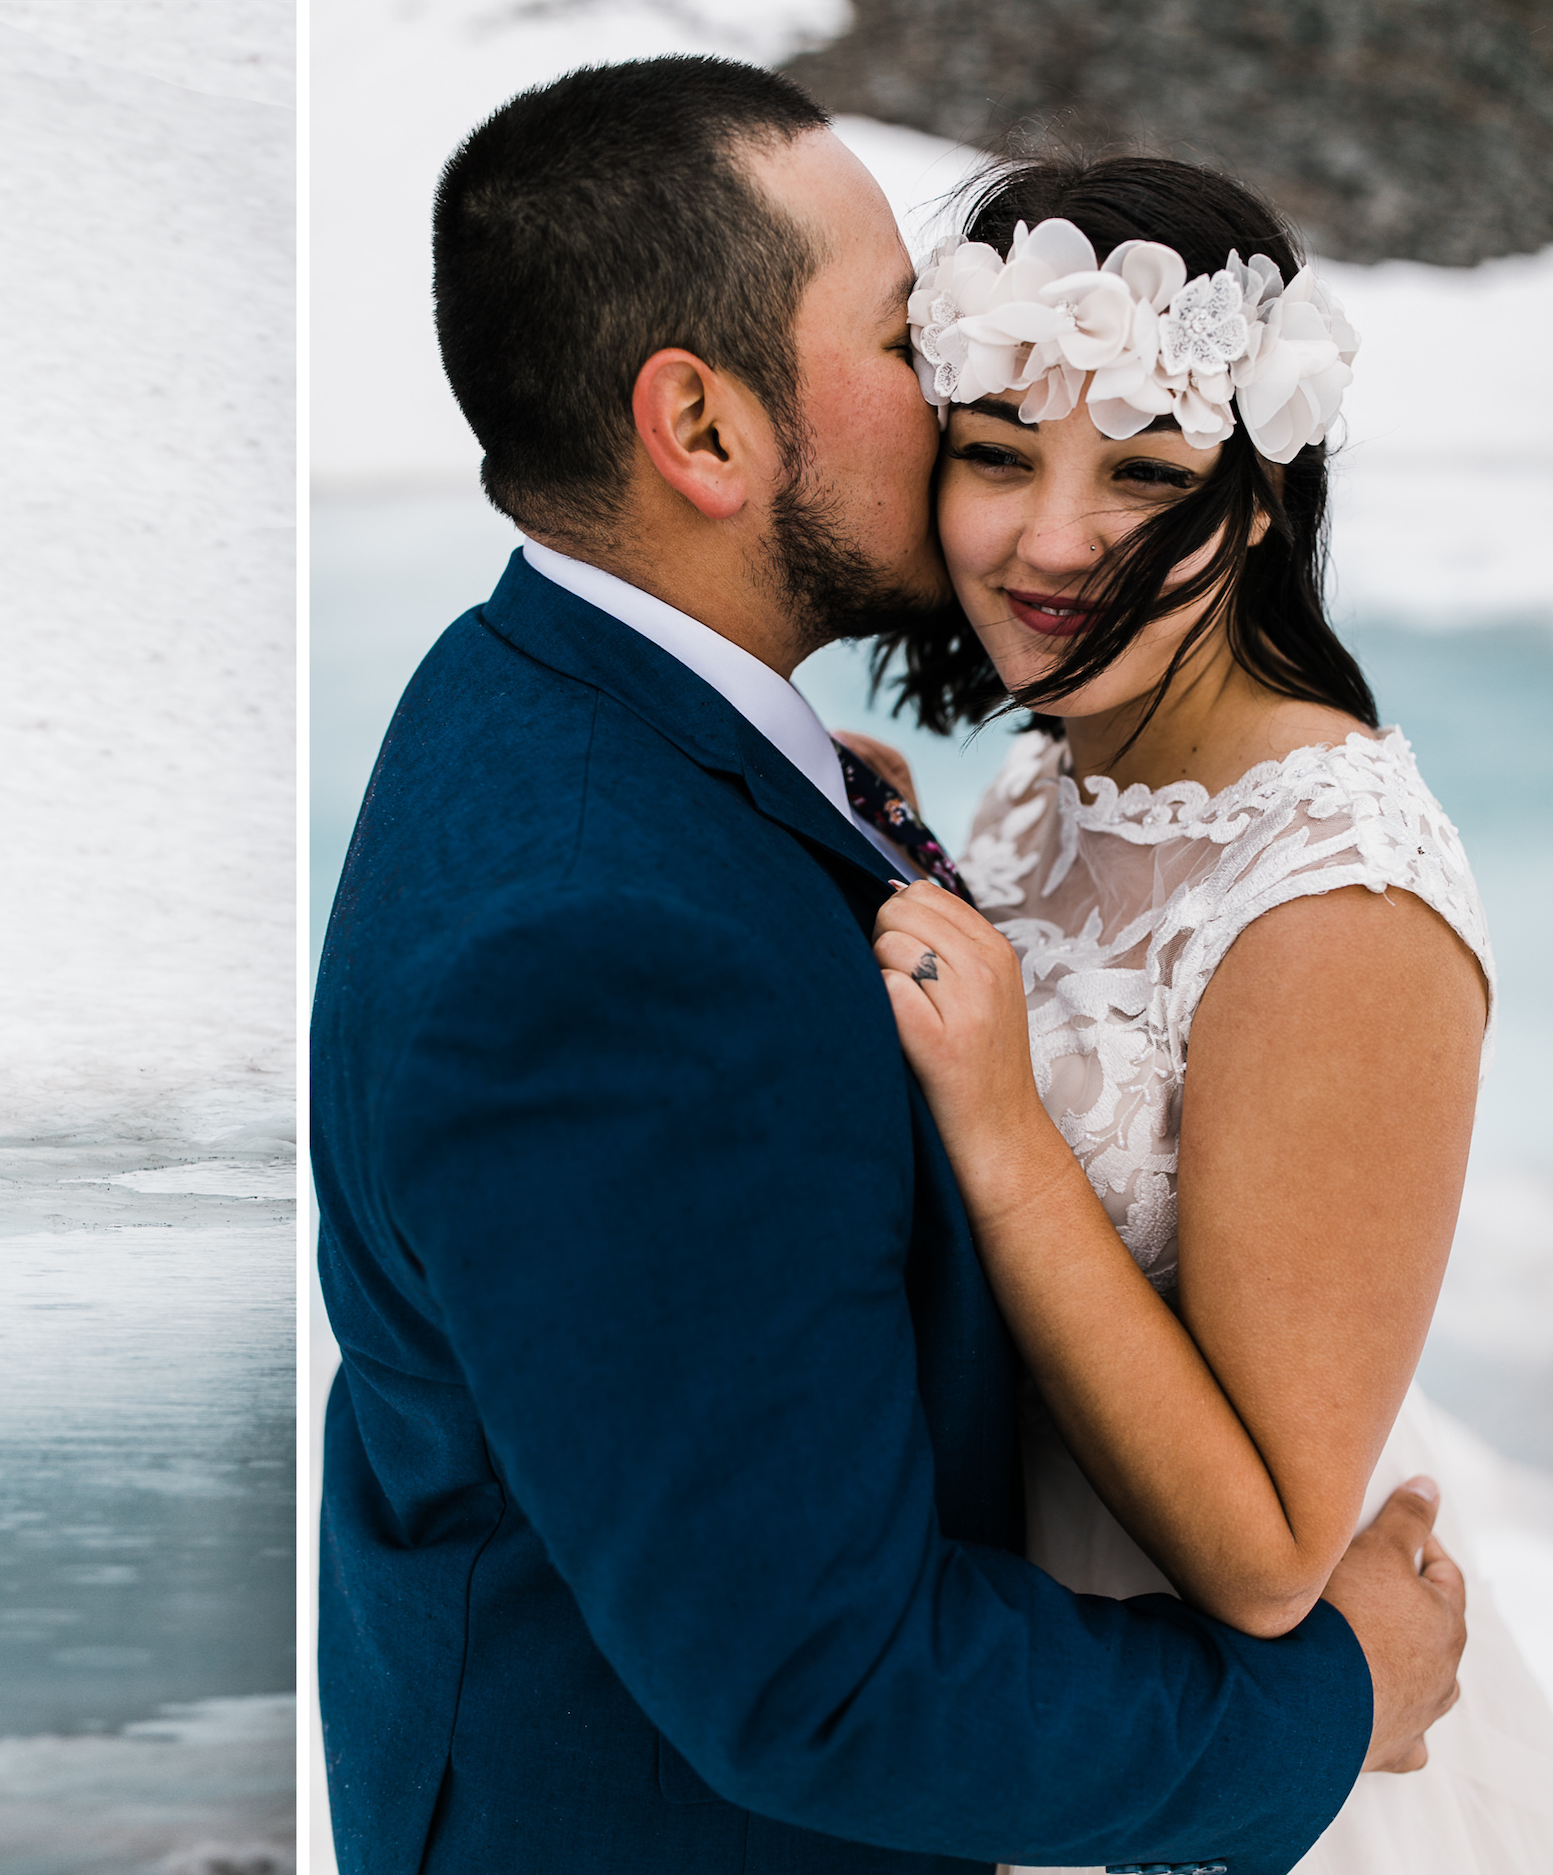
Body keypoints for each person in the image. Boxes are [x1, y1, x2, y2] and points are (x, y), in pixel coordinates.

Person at [312, 57, 1465, 1874]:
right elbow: (825, 1683)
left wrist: (847, 848)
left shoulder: (537, 707)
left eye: (1140, 463)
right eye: (916, 347)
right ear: (702, 430)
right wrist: (1332, 1701)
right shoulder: (619, 929)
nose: (961, 411)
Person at [863, 156, 1553, 1869]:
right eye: (1000, 453)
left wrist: (1006, 1127)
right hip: (1038, 1704)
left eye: (1148, 470)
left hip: (1241, 1765)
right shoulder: (1053, 782)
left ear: (1255, 501)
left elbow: (1264, 1551)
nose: (1054, 538)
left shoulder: (1341, 900)